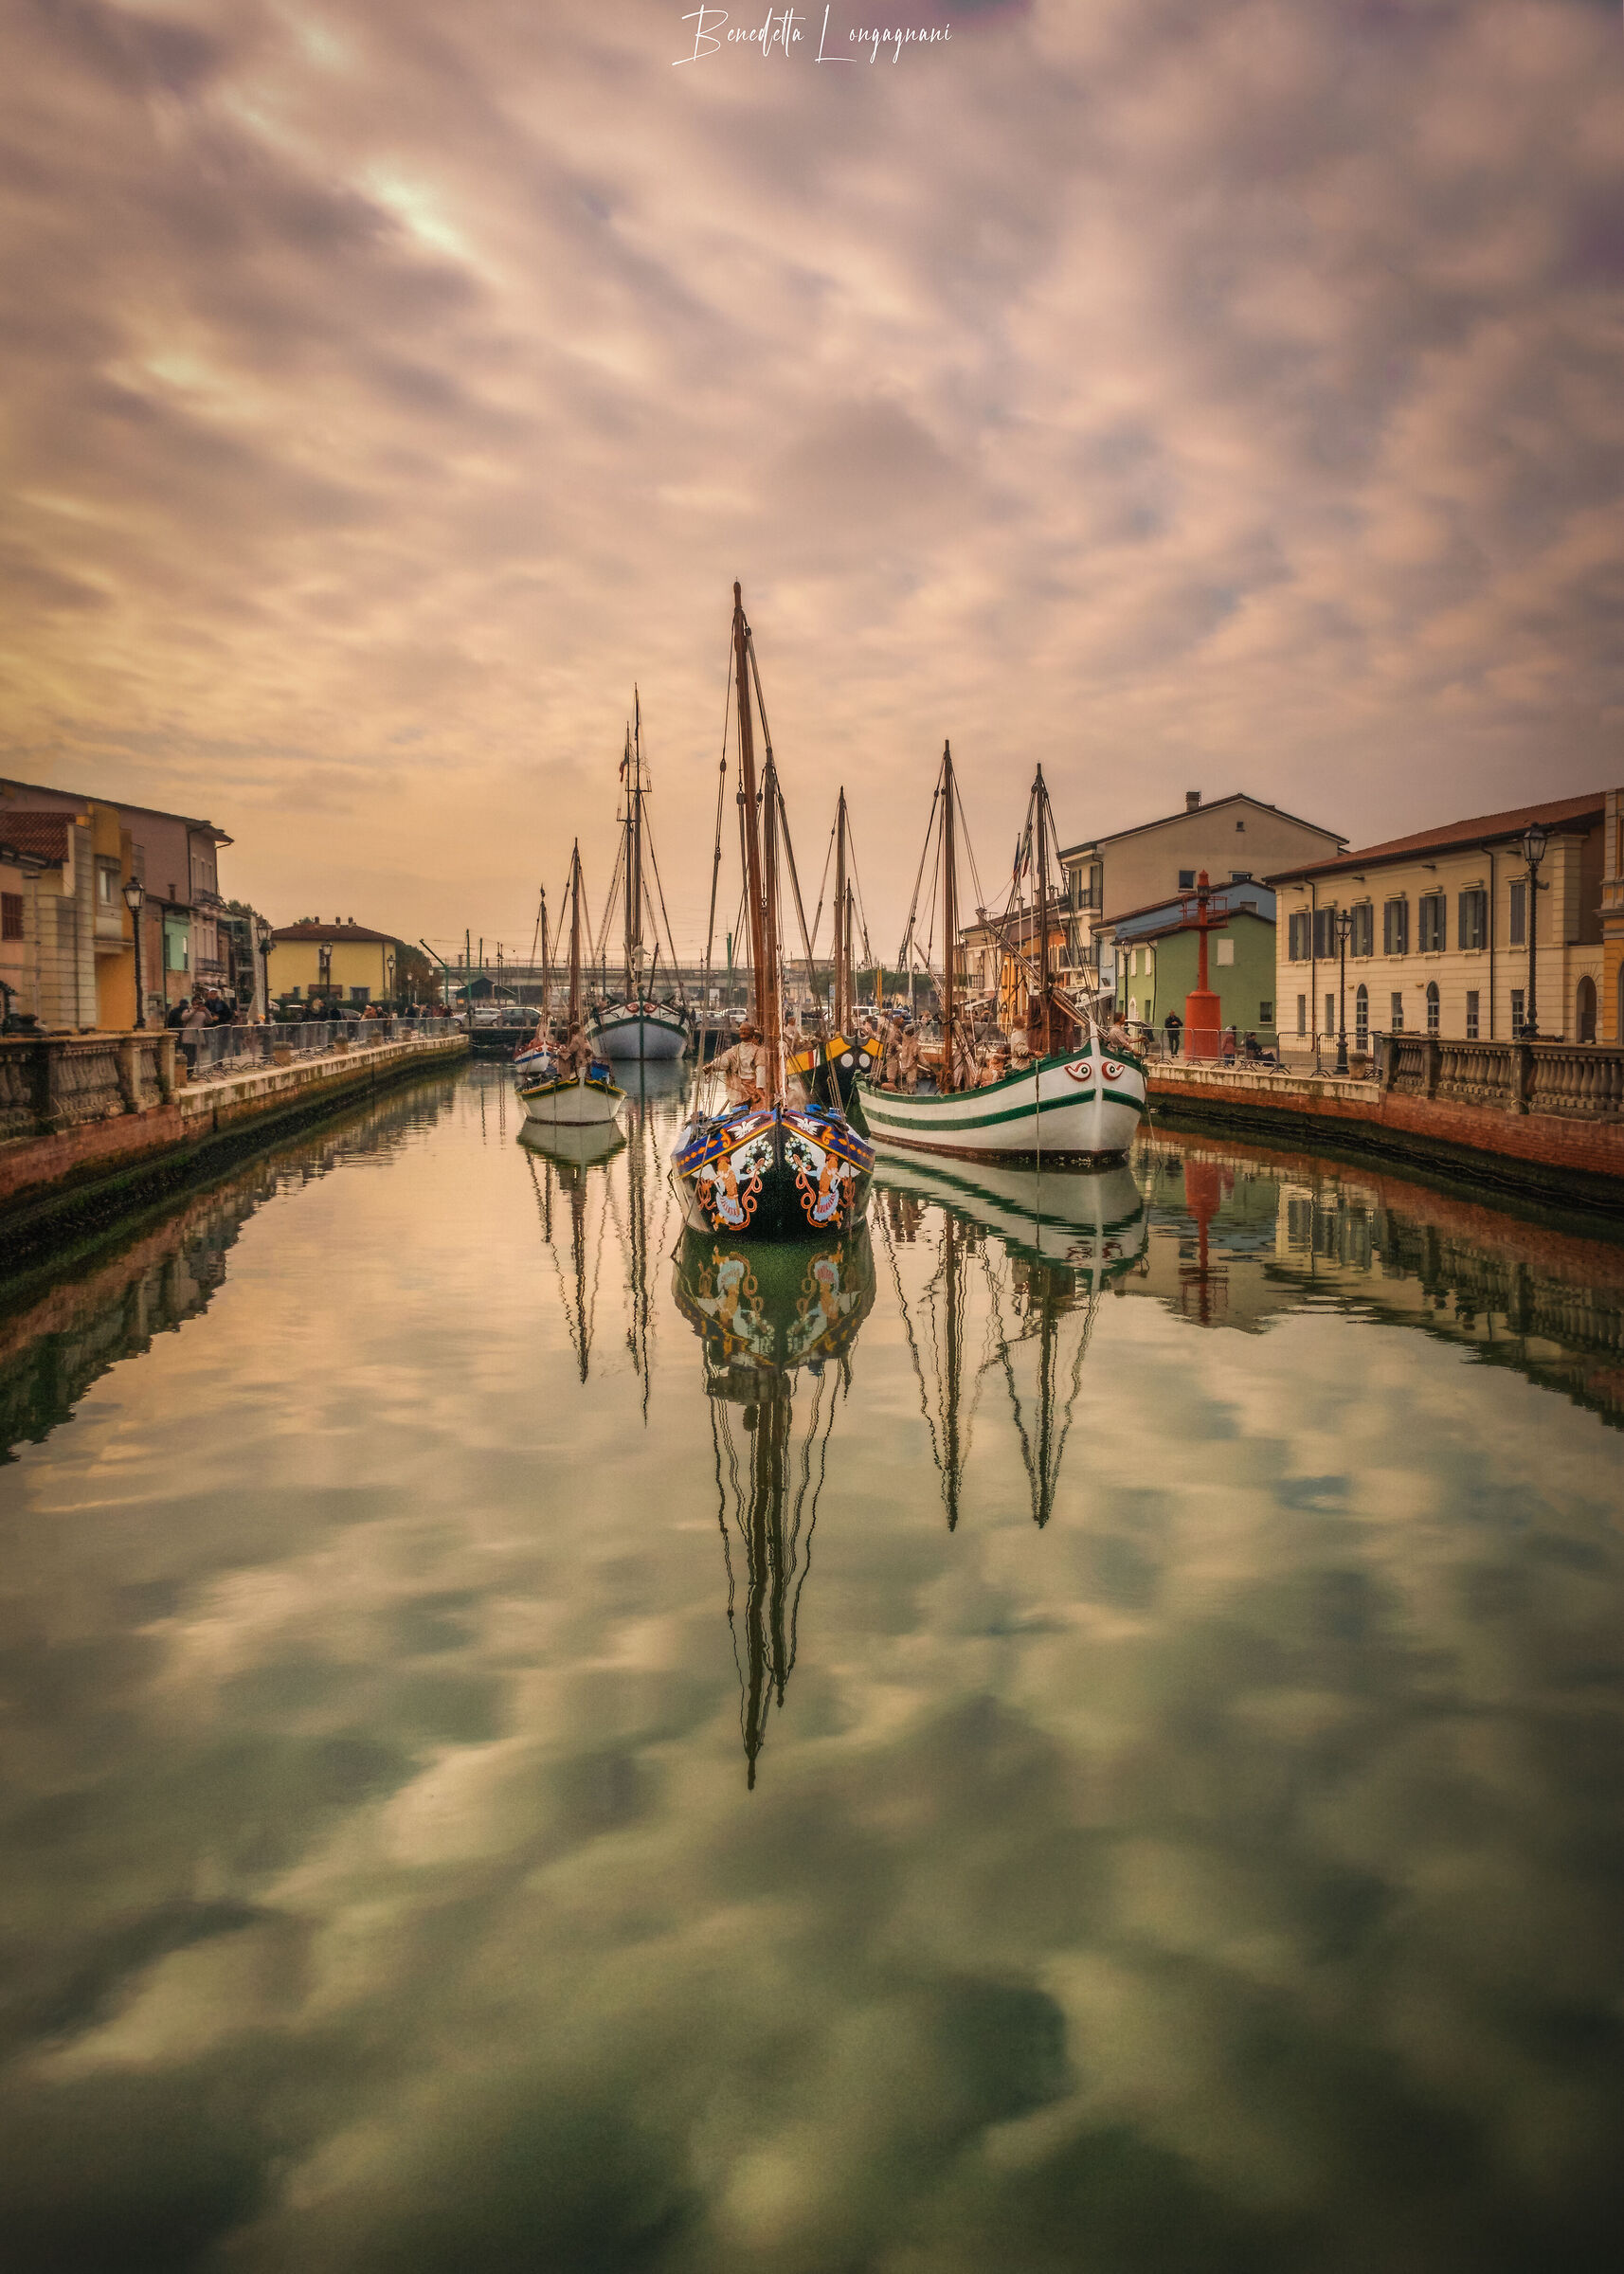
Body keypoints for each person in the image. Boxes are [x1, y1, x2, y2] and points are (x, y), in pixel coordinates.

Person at [713, 1021, 767, 1111]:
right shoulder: (734, 1050)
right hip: (739, 1088)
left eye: (745, 1030)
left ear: (751, 1033)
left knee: (762, 1107)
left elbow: (761, 1068)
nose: (743, 1032)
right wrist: (712, 1066)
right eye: (741, 1030)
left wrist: (759, 1087)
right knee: (739, 1111)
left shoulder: (759, 1051)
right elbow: (724, 1061)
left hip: (755, 1087)